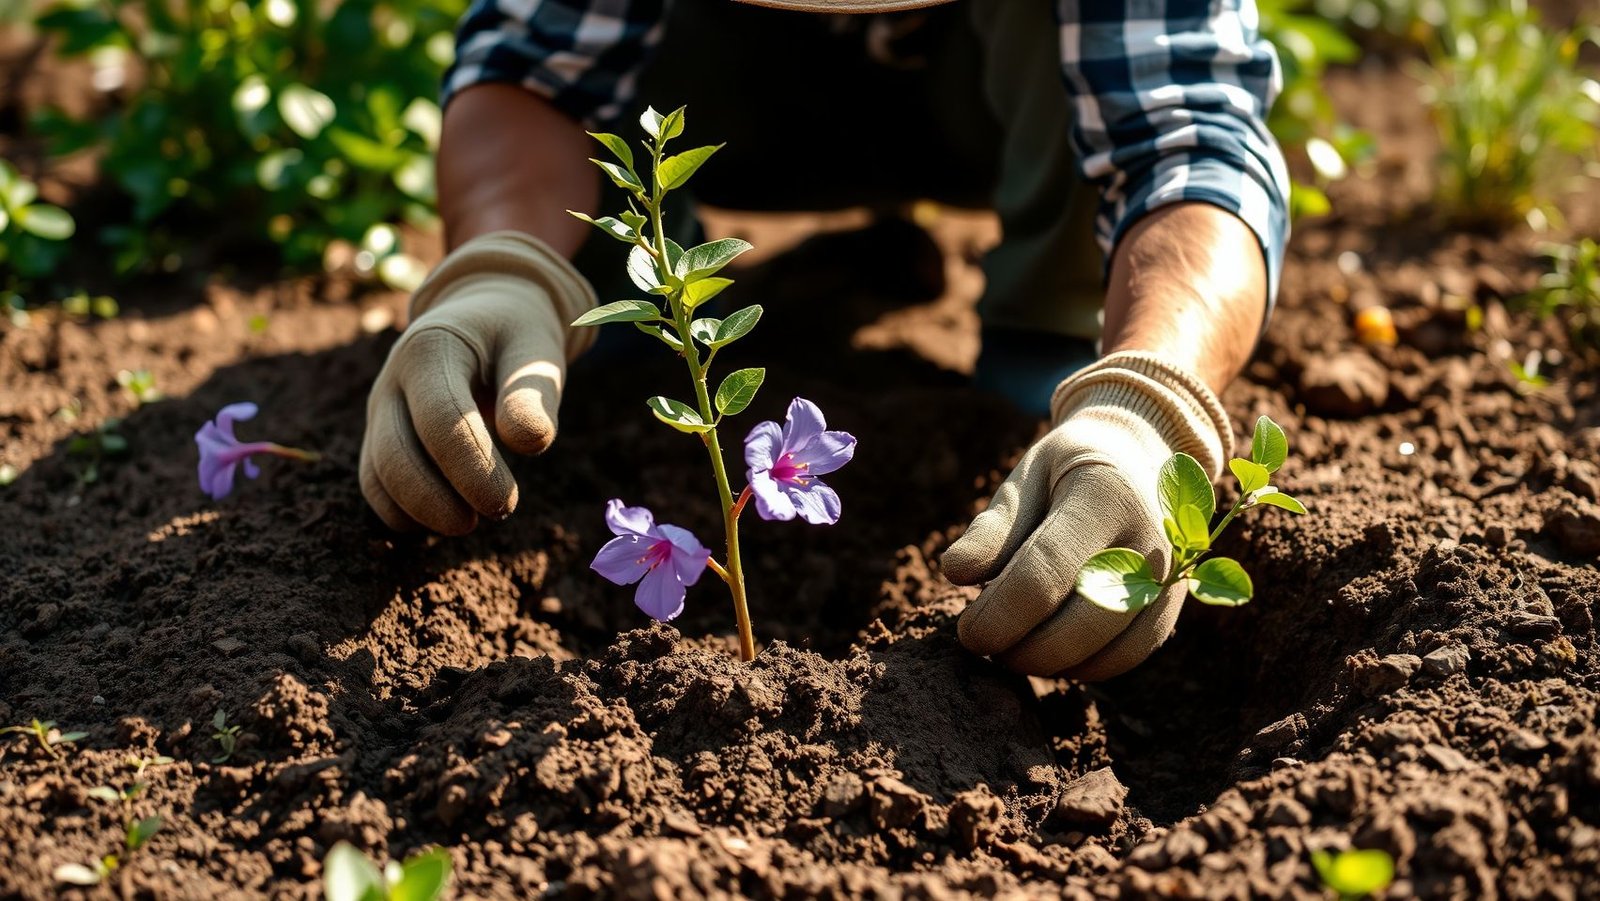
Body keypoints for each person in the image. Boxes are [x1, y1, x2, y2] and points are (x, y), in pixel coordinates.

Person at [359, 0, 1290, 681]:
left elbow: (1190, 140)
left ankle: (1058, 337)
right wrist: (502, 266)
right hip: (732, 91)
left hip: (1008, 101)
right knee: (602, 262)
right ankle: (615, 296)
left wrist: (1148, 397)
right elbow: (528, 72)